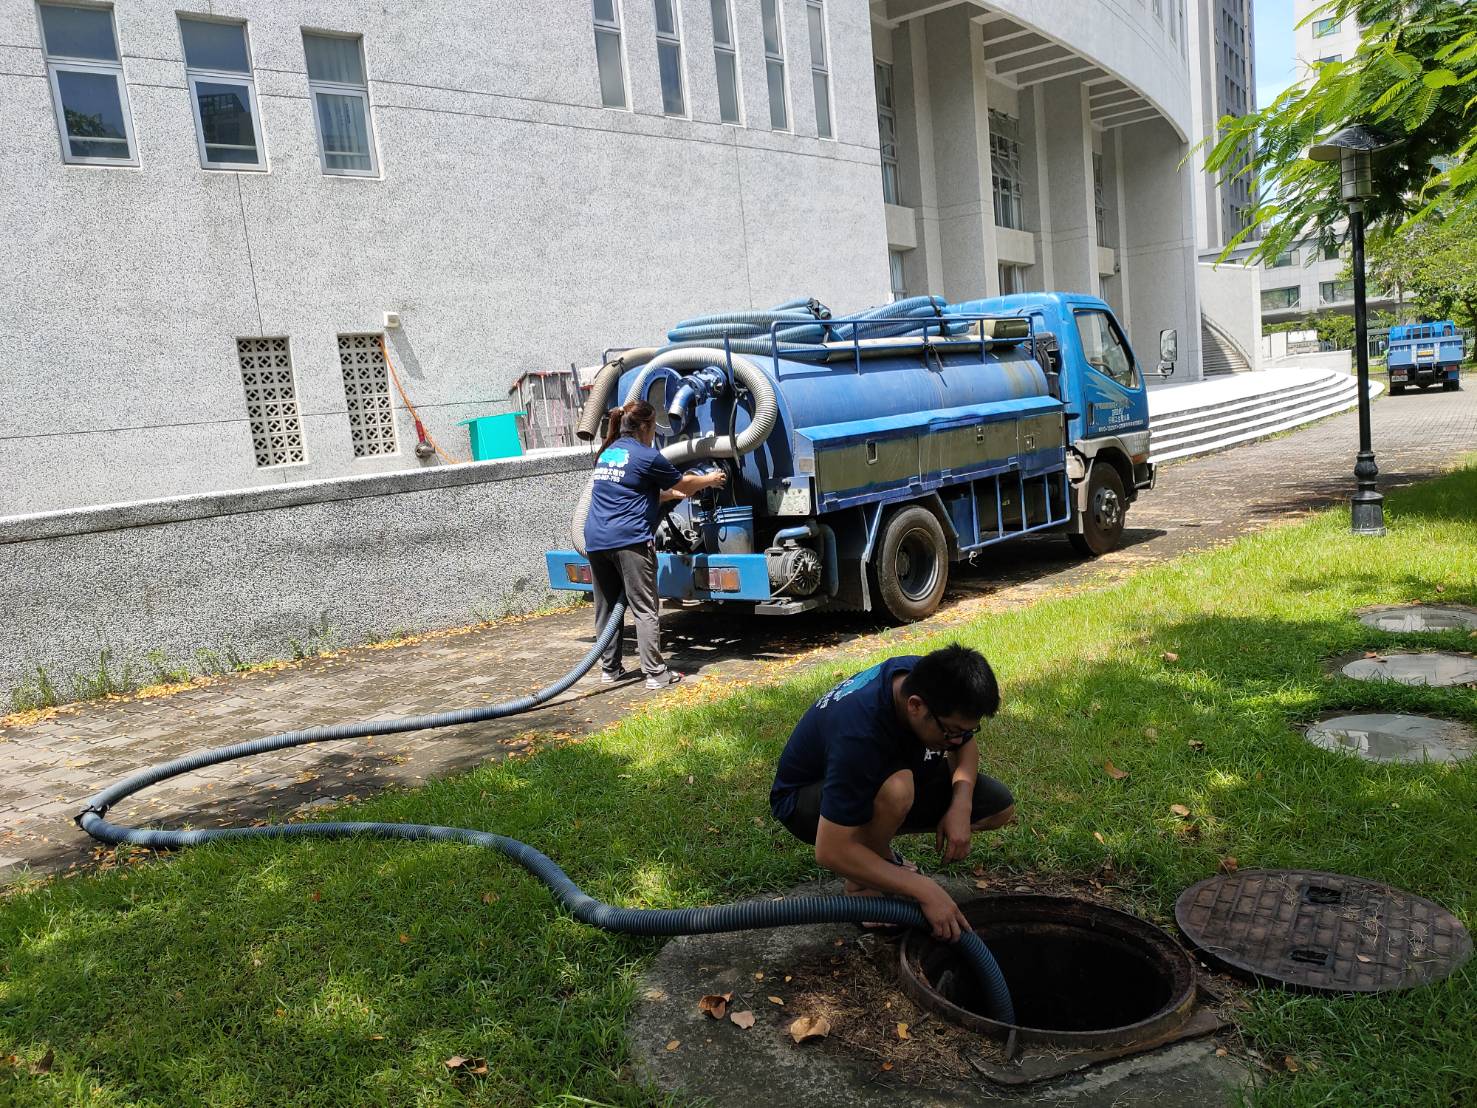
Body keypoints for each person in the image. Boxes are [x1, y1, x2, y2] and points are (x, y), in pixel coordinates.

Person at [770, 644, 1016, 940]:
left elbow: (965, 748)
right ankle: (860, 885)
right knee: (897, 788)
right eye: (951, 731)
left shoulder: (930, 680)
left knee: (998, 806)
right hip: (807, 802)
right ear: (915, 706)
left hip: (889, 771)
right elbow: (829, 850)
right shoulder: (859, 734)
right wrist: (926, 890)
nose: (958, 740)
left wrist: (960, 806)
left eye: (967, 730)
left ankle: (875, 851)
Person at [585, 400, 726, 689]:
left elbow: (632, 492)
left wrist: (669, 496)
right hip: (630, 540)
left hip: (597, 540)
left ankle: (609, 670)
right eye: (654, 429)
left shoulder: (608, 453)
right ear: (646, 426)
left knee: (608, 608)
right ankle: (656, 674)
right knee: (645, 608)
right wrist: (710, 479)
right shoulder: (647, 456)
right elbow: (685, 484)